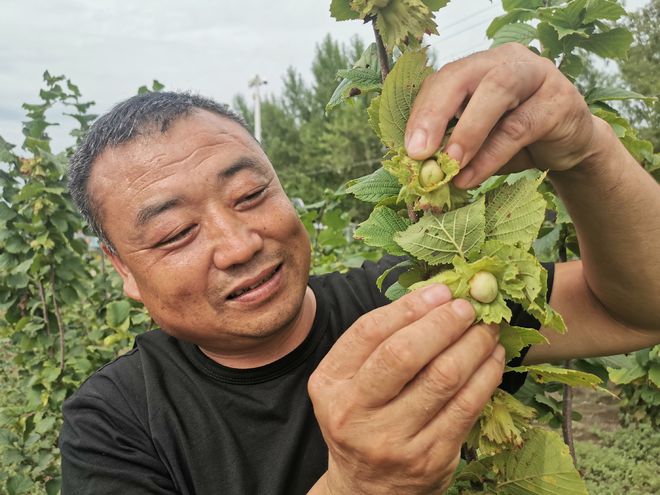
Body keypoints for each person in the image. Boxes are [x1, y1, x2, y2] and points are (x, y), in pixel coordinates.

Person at [59, 43, 660, 494]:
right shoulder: (115, 423)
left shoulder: (413, 294)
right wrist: (357, 484)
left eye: (250, 194)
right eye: (174, 233)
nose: (238, 244)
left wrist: (585, 150)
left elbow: (636, 311)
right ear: (124, 272)